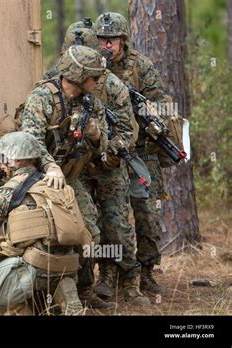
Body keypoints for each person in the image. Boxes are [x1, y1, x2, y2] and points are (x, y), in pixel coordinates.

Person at [52, 27, 150, 306]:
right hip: (75, 167)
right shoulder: (55, 84)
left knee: (116, 227)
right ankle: (85, 288)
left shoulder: (113, 87)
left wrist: (106, 149)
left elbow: (128, 132)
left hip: (109, 164)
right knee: (82, 226)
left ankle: (130, 282)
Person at [0, 132, 86, 315]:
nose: (0, 164)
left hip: (37, 270)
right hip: (69, 265)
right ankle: (64, 289)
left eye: (3, 158)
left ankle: (17, 307)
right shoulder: (56, 184)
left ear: (17, 161)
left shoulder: (8, 191)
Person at [20, 45, 115, 310]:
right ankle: (47, 299)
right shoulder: (42, 97)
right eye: (94, 77)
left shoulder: (90, 103)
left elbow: (103, 148)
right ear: (80, 75)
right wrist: (50, 167)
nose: (97, 83)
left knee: (90, 235)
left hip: (69, 180)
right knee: (52, 239)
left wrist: (96, 135)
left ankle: (83, 293)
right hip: (37, 179)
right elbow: (32, 140)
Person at [93, 12, 169, 295]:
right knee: (111, 217)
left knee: (147, 214)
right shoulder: (93, 66)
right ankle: (109, 272)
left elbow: (160, 109)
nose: (106, 45)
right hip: (108, 152)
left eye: (111, 40)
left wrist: (141, 109)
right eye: (102, 39)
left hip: (141, 153)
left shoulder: (142, 67)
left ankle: (147, 272)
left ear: (123, 41)